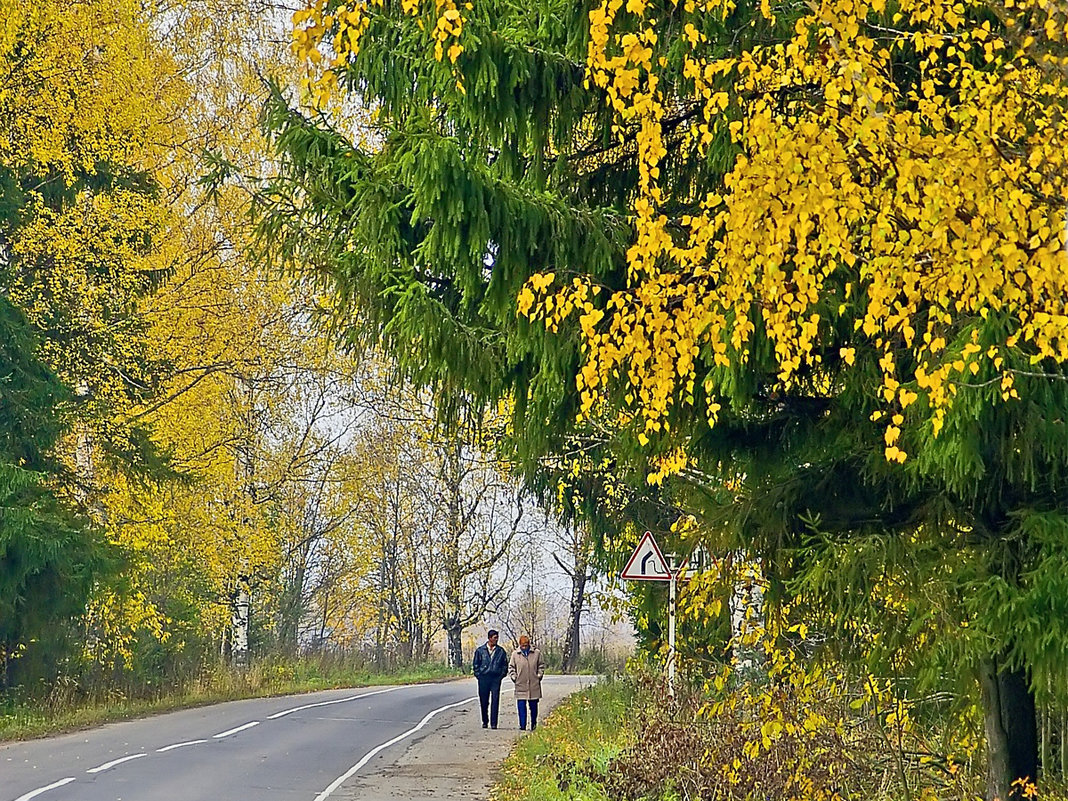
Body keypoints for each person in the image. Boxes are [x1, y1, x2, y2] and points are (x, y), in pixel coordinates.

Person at [472, 629, 508, 728]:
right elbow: (475, 664)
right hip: (483, 678)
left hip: (495, 678)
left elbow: (505, 665)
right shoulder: (480, 651)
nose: (496, 640)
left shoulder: (501, 651)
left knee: (495, 700)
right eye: (494, 638)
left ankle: (494, 723)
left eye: (497, 638)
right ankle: (485, 720)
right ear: (489, 638)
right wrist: (479, 675)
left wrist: (501, 675)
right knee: (484, 701)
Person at [508, 634, 545, 731]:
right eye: (522, 645)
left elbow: (541, 666)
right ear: (520, 645)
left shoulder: (536, 653)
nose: (524, 647)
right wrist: (514, 677)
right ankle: (522, 725)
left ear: (529, 644)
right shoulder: (515, 654)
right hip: (520, 683)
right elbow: (511, 667)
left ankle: (533, 724)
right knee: (521, 706)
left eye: (526, 645)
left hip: (533, 684)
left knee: (533, 706)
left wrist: (539, 676)